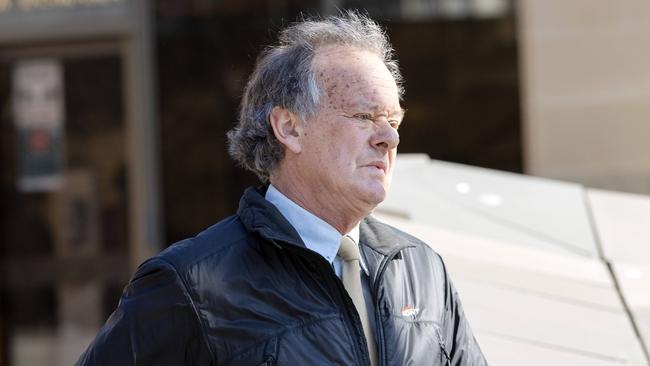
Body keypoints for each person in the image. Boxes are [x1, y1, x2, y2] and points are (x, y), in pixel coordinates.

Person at [76, 11, 487, 366]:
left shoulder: (420, 268)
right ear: (290, 128)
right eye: (364, 116)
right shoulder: (191, 285)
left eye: (393, 121)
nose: (388, 139)